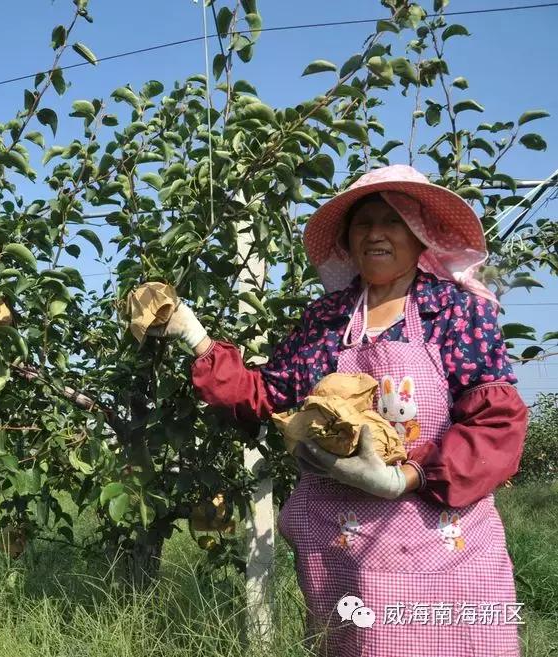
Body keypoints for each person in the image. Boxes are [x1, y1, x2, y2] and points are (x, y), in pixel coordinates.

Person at [145, 165, 527, 656]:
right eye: (363, 223)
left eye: (393, 220)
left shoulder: (455, 312)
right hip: (349, 557)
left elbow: (495, 426)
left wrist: (403, 477)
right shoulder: (326, 320)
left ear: (419, 234)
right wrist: (193, 336)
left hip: (446, 550)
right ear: (348, 241)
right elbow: (268, 395)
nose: (376, 233)